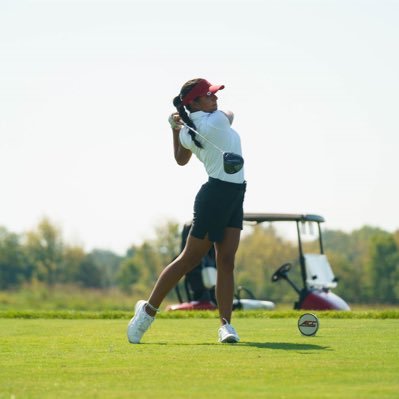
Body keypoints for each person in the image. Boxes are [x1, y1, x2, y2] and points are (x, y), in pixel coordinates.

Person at [127, 78, 246, 344]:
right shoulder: (215, 121)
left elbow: (181, 158)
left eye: (214, 95)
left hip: (235, 194)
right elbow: (231, 114)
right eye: (209, 96)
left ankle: (226, 326)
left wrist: (174, 128)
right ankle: (146, 312)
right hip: (215, 196)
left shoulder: (193, 128)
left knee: (226, 261)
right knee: (189, 259)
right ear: (193, 103)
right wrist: (180, 126)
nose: (216, 100)